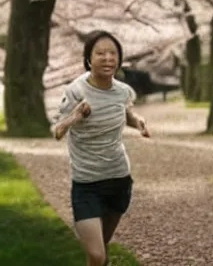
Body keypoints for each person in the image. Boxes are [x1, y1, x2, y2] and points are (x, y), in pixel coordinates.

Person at [51, 30, 150, 266]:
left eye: (113, 53)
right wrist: (75, 117)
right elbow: (57, 132)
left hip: (118, 179)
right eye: (100, 53)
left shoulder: (123, 91)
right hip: (86, 184)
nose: (107, 58)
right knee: (96, 254)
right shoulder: (76, 91)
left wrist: (138, 122)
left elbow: (123, 113)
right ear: (88, 59)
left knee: (101, 252)